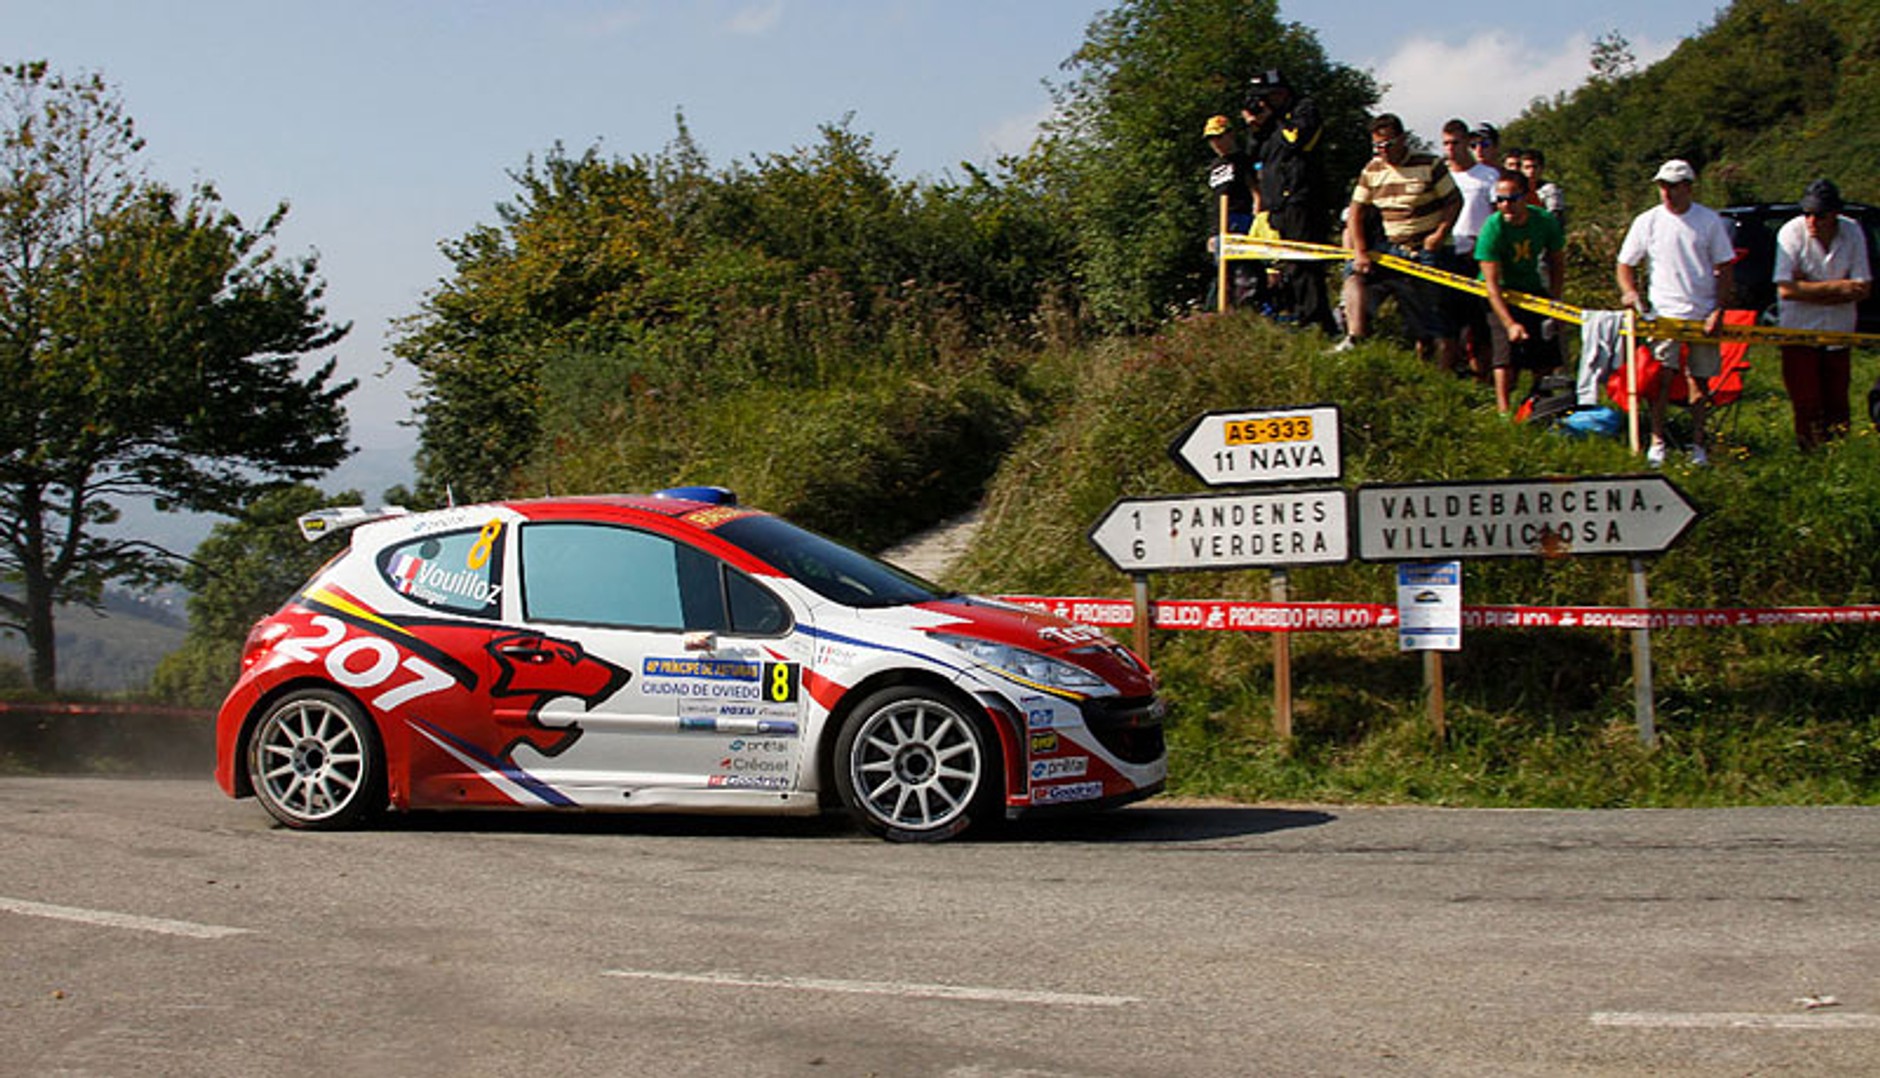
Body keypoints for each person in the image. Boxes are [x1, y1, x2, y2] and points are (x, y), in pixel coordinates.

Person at [1615, 159, 1737, 466]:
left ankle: (1698, 444)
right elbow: (1625, 263)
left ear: (1688, 187)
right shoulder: (1648, 221)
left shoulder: (1709, 221)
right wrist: (1630, 292)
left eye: (1673, 186)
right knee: (1661, 379)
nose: (1667, 193)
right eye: (1662, 186)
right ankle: (1658, 441)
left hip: (1702, 312)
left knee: (1701, 379)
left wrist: (1719, 310)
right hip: (1663, 314)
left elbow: (1725, 267)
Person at [1333, 113, 1462, 369]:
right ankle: (1355, 337)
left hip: (1427, 248)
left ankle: (1443, 374)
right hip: (1390, 247)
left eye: (1388, 145)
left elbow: (1454, 201)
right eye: (1378, 146)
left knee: (1435, 317)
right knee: (1354, 275)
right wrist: (1359, 252)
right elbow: (1356, 212)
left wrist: (1439, 234)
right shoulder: (1372, 170)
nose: (1383, 151)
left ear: (1402, 139)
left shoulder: (1430, 164)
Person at [1772, 177, 1872, 450]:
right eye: (1807, 213)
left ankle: (1840, 454)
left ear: (1835, 214)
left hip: (1839, 330)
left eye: (1819, 214)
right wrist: (1839, 288)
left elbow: (1863, 288)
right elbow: (1785, 290)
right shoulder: (1790, 233)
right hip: (1798, 332)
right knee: (1806, 402)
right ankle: (1809, 455)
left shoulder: (1852, 232)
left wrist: (1808, 287)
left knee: (1838, 400)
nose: (1811, 221)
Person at [1242, 69, 1335, 331]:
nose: (1263, 103)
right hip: (1276, 204)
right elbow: (1252, 156)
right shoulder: (1269, 125)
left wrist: (1276, 117)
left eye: (1267, 97)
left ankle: (1316, 321)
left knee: (1305, 262)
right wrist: (1256, 127)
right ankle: (1302, 316)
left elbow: (1298, 140)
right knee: (1290, 265)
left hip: (1301, 200)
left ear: (1280, 93)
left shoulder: (1304, 110)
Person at [1476, 170, 1566, 414]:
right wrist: (1509, 323)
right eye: (1500, 200)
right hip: (1500, 292)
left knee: (1546, 346)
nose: (1506, 206)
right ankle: (1504, 412)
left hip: (1532, 287)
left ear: (1526, 197)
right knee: (1504, 352)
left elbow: (1557, 261)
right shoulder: (1492, 228)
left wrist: (1556, 302)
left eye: (1512, 199)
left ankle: (1539, 399)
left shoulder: (1544, 220)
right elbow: (1491, 285)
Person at [1441, 119, 1501, 377]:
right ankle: (1447, 377)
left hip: (1478, 254)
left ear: (1465, 143)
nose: (1451, 149)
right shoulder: (1441, 175)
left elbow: (1498, 216)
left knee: (1481, 322)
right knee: (1447, 322)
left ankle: (1483, 378)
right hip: (1446, 251)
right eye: (1445, 144)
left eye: (1456, 143)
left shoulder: (1488, 176)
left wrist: (1485, 246)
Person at [1202, 113, 1259, 310]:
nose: (1215, 142)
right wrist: (1212, 232)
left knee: (1242, 272)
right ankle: (1219, 315)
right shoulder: (1214, 166)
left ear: (1230, 134)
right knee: (1222, 274)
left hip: (1240, 218)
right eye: (1211, 139)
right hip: (1220, 224)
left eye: (1219, 136)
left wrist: (1257, 219)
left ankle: (1246, 311)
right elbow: (1216, 200)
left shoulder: (1243, 160)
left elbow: (1256, 190)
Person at [1518, 148, 1566, 226]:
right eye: (1527, 167)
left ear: (1541, 168)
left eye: (1534, 167)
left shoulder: (1550, 190)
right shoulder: (1517, 190)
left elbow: (1555, 217)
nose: (1531, 171)